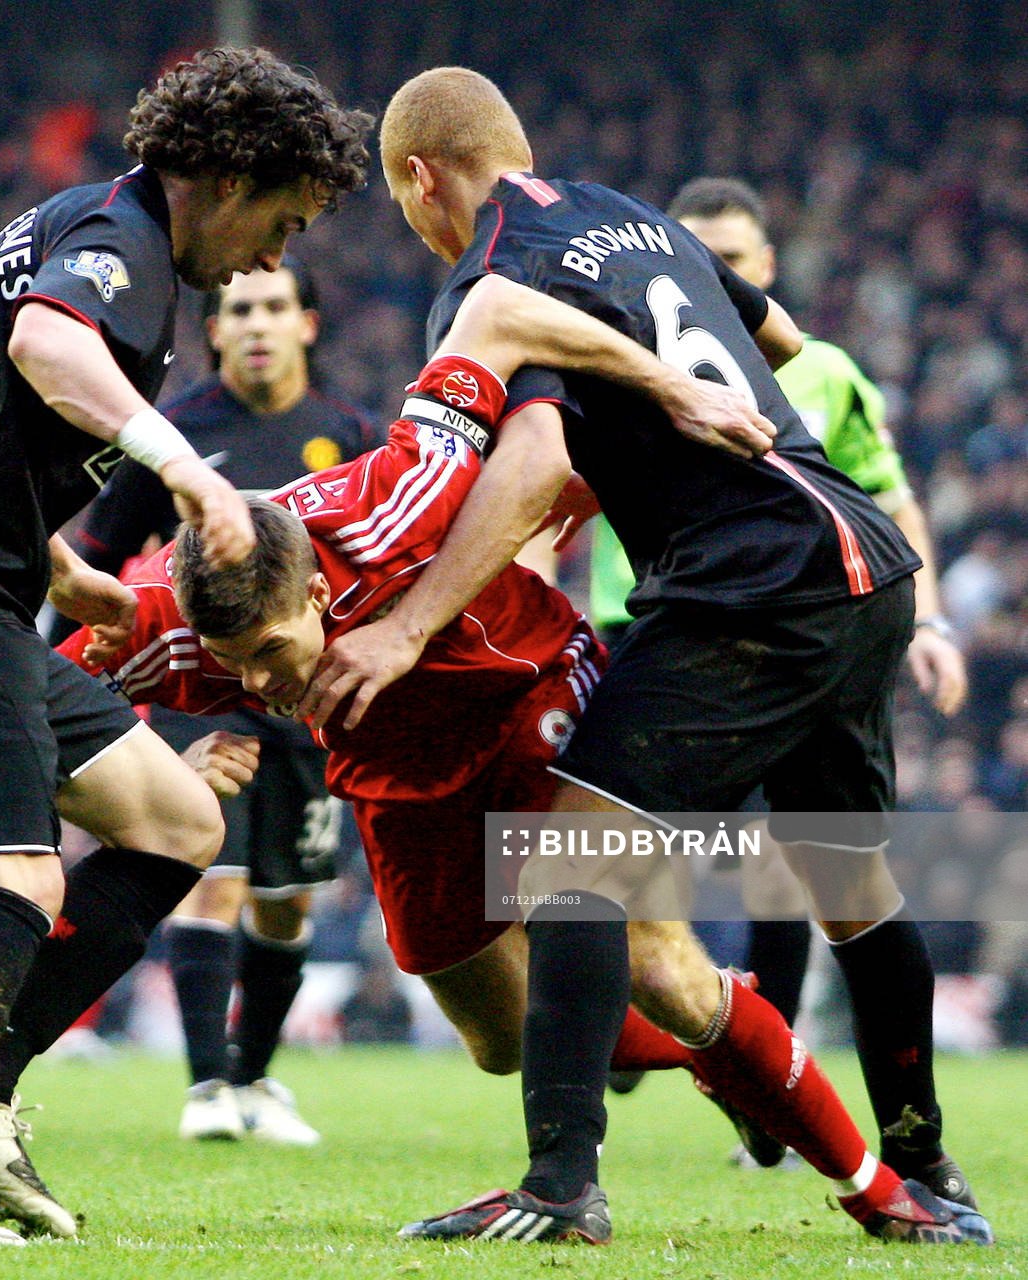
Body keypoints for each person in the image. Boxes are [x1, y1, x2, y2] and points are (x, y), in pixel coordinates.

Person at [68, 332, 987, 1248]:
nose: (263, 687)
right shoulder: (163, 626)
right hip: (400, 778)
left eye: (271, 655)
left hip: (531, 697)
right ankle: (723, 1055)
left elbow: (517, 399)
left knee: (656, 961)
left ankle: (875, 1190)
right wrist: (155, 775)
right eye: (238, 669)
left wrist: (583, 480)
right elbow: (41, 713)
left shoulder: (397, 502)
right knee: (501, 1042)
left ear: (315, 594)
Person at [297, 67, 990, 1245]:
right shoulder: (638, 217)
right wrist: (620, 447)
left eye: (404, 205)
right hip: (856, 555)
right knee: (849, 885)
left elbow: (518, 465)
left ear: (421, 178)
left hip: (750, 579)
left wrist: (408, 624)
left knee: (572, 853)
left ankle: (561, 1188)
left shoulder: (495, 273)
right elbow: (782, 336)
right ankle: (927, 1172)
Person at [0, 47, 373, 1245]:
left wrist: (64, 568)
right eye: (283, 220)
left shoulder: (104, 237)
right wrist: (188, 473)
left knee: (176, 818)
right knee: (18, 876)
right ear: (227, 173)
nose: (275, 255)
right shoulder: (122, 245)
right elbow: (41, 353)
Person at [593, 178, 969, 1153]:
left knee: (785, 867)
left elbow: (887, 492)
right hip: (636, 624)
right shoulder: (622, 352)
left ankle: (771, 1099)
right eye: (700, 251)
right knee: (620, 883)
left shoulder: (826, 372)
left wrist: (933, 626)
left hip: (794, 616)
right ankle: (648, 1050)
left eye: (737, 258)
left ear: (761, 273)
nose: (716, 270)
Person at [69, 260, 378, 1146]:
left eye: (276, 308)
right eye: (239, 309)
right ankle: (206, 1086)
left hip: (306, 698)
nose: (257, 325)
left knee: (288, 901)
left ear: (308, 325)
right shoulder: (169, 436)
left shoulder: (351, 434)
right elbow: (100, 556)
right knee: (216, 883)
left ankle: (254, 1080)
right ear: (212, 330)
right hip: (199, 695)